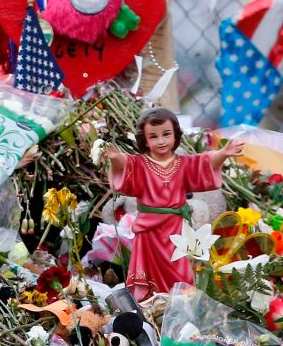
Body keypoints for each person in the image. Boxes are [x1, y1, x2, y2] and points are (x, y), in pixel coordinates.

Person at [101, 107, 242, 300]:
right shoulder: (140, 164)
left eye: (166, 134)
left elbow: (205, 163)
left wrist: (224, 153)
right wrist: (115, 158)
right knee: (149, 273)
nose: (161, 141)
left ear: (176, 135)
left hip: (176, 229)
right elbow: (124, 165)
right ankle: (152, 308)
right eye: (154, 136)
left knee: (181, 271)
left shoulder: (183, 164)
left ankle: (180, 305)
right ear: (145, 140)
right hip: (149, 231)